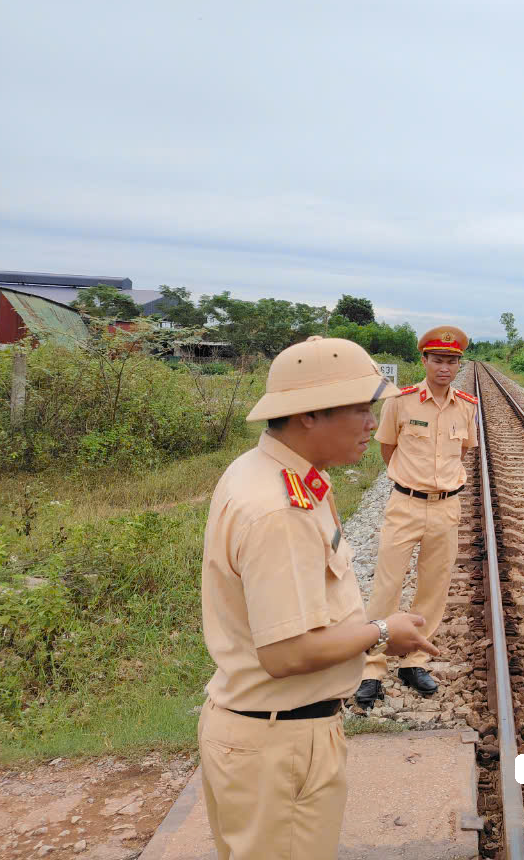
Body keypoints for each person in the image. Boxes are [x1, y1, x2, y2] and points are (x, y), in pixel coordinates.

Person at [200, 336, 437, 860]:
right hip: (279, 745)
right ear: (309, 414)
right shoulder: (279, 510)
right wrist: (382, 633)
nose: (373, 423)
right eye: (360, 409)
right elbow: (286, 653)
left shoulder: (268, 472)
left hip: (267, 734)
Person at [354, 326, 479, 709]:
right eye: (438, 360)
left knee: (433, 587)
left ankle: (414, 661)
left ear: (458, 365)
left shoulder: (466, 406)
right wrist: (412, 481)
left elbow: (463, 452)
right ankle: (372, 667)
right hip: (405, 504)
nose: (445, 368)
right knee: (387, 585)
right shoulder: (401, 402)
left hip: (446, 507)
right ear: (424, 360)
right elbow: (387, 449)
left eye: (452, 361)